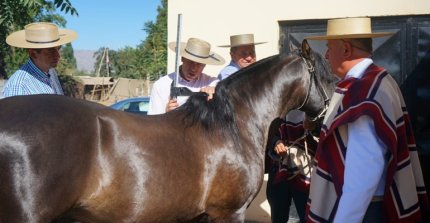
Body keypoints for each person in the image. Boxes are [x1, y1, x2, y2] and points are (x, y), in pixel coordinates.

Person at [305, 17, 430, 222]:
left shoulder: (362, 91)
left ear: (346, 50)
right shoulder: (382, 79)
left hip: (365, 209)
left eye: (329, 48)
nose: (326, 55)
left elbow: (363, 173)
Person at [148, 37, 225, 115]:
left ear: (205, 65)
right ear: (183, 58)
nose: (194, 68)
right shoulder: (161, 85)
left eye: (199, 64)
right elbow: (152, 123)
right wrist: (166, 114)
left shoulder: (212, 82)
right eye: (190, 62)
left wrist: (215, 90)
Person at [266, 110, 318, 223]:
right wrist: (276, 142)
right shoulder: (276, 102)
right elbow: (266, 131)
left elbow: (326, 129)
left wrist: (315, 126)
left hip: (307, 172)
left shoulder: (318, 99)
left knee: (308, 218)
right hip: (278, 169)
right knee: (278, 218)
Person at [2, 22, 77, 97]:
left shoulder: (51, 72)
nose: (58, 55)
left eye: (58, 48)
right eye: (50, 50)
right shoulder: (19, 87)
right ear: (33, 53)